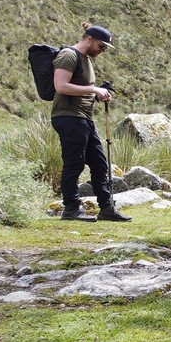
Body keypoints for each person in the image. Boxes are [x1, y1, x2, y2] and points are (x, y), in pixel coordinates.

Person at [51, 22, 131, 222]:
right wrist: (94, 90)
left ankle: (106, 208)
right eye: (101, 46)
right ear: (89, 39)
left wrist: (97, 96)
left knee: (99, 164)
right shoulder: (68, 56)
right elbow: (61, 86)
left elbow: (81, 89)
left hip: (84, 118)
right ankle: (70, 209)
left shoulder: (86, 59)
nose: (102, 51)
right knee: (74, 164)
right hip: (68, 117)